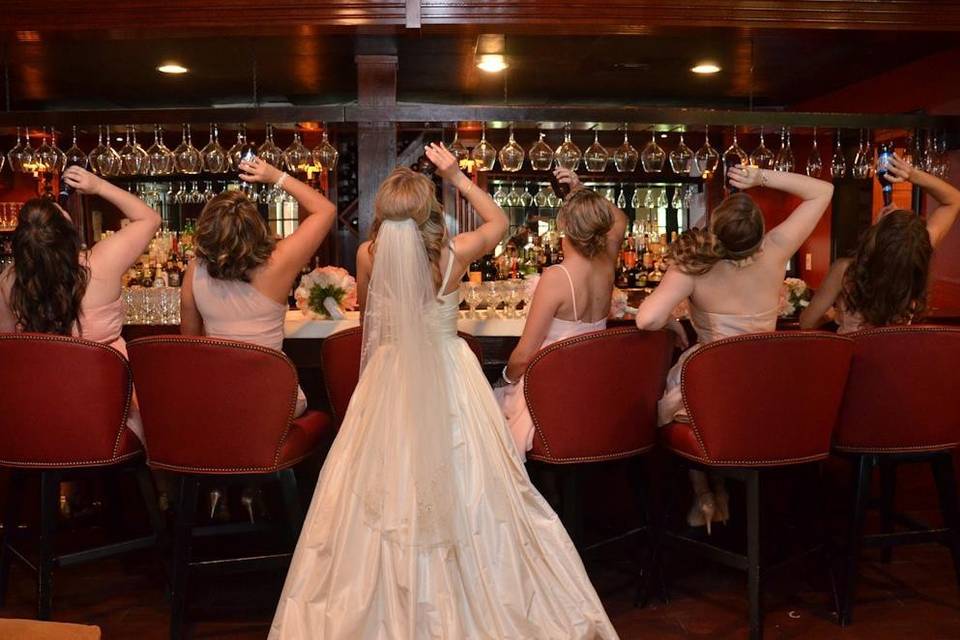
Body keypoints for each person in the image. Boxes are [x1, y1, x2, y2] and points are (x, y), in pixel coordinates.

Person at [270, 145, 618, 639]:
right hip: (452, 369)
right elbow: (499, 221)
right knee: (474, 482)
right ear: (430, 212)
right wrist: (456, 175)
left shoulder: (369, 254)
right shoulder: (457, 253)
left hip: (390, 373)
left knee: (382, 485)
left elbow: (372, 323)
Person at [634, 166, 834, 533]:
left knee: (683, 399)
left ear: (714, 228)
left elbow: (646, 319)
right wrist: (758, 177)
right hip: (765, 387)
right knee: (705, 401)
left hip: (713, 388)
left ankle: (704, 493)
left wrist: (673, 323)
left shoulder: (693, 267)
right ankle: (723, 494)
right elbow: (822, 191)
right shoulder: (776, 250)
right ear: (759, 232)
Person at [0, 166, 161, 443]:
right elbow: (149, 218)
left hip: (42, 417)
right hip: (109, 417)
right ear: (68, 233)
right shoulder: (101, 265)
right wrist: (98, 186)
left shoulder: (9, 280)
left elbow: (9, 349)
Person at [179, 157, 336, 418]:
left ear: (206, 229)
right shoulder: (278, 263)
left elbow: (190, 345)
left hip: (220, 400)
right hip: (273, 398)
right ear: (257, 227)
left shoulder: (195, 270)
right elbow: (325, 210)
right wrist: (275, 176)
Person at [496, 169, 627, 459]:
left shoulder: (558, 276)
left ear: (564, 224)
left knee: (484, 414)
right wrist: (581, 189)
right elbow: (621, 219)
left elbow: (523, 355)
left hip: (554, 394)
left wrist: (503, 379)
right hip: (594, 389)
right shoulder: (608, 260)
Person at [800, 154, 960, 333]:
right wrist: (913, 175)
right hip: (893, 356)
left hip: (855, 357)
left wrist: (830, 316)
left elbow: (807, 322)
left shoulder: (845, 270)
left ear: (876, 237)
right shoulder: (916, 253)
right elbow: (954, 200)